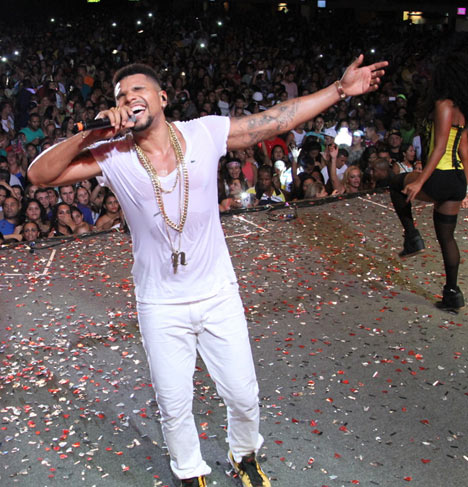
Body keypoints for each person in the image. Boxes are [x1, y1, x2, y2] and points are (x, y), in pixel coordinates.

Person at [28, 57, 386, 487]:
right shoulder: (111, 153)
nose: (129, 99)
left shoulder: (201, 132)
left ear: (161, 98)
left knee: (243, 395)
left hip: (217, 292)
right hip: (160, 303)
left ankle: (244, 455)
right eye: (121, 95)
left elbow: (271, 121)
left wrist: (340, 90)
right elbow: (40, 175)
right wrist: (94, 129)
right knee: (174, 404)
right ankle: (189, 471)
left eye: (138, 90)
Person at [389, 51, 468, 311]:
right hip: (455, 179)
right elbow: (464, 153)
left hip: (440, 176)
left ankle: (411, 236)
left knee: (396, 181)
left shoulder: (443, 104)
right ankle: (452, 294)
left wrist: (420, 181)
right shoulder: (462, 112)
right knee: (447, 237)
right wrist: (466, 189)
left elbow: (439, 148)